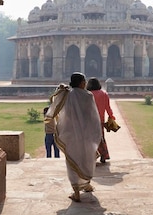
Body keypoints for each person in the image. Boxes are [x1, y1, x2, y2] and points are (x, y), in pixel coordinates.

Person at [47, 73, 102, 202]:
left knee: (73, 160)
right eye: (84, 81)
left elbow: (55, 107)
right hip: (86, 133)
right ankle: (86, 184)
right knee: (86, 157)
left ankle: (77, 191)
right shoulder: (88, 96)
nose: (85, 83)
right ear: (81, 82)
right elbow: (93, 116)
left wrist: (60, 90)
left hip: (71, 133)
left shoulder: (67, 95)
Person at [86, 77, 114, 163]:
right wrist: (111, 117)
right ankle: (103, 155)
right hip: (100, 120)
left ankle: (92, 156)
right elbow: (108, 108)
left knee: (90, 139)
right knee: (100, 138)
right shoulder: (104, 94)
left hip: (89, 121)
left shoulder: (87, 94)